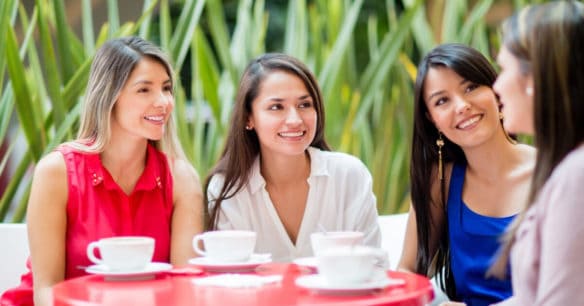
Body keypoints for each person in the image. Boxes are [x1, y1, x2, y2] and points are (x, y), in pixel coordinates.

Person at [0, 36, 204, 306]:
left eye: (166, 88)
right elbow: (46, 291)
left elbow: (185, 290)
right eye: (144, 90)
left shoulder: (181, 180)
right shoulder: (57, 172)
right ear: (110, 97)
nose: (163, 101)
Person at [204, 53, 381, 262]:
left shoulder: (350, 176)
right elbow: (229, 281)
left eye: (304, 105)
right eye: (276, 107)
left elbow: (374, 266)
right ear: (248, 118)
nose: (295, 120)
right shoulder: (228, 191)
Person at [397, 43, 535, 306]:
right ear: (432, 119)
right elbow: (407, 271)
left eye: (470, 87)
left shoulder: (551, 171)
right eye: (442, 101)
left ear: (496, 91)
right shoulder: (442, 181)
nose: (461, 106)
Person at [490, 1, 584, 305]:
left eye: (504, 69)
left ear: (534, 79)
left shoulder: (576, 178)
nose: (497, 86)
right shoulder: (566, 168)